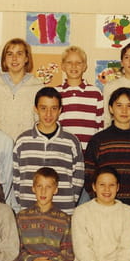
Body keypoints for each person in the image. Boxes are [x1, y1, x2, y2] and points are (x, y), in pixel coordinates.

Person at [84, 87, 130, 214]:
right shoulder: (98, 140)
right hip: (105, 211)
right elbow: (89, 177)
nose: (124, 110)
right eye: (119, 105)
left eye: (129, 106)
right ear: (110, 108)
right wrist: (100, 202)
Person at [12, 87, 84, 216]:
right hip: (29, 210)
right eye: (43, 108)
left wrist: (70, 200)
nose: (48, 114)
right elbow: (16, 177)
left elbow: (78, 178)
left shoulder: (71, 141)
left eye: (54, 108)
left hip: (63, 211)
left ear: (60, 110)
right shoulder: (23, 141)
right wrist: (22, 200)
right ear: (35, 109)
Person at [0, 38, 43, 140]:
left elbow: (41, 122)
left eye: (19, 54)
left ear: (26, 58)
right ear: (4, 59)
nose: (14, 58)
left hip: (27, 144)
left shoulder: (38, 87)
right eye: (10, 54)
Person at [56, 45, 103, 151]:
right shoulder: (55, 93)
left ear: (84, 66)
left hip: (88, 151)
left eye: (78, 62)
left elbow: (101, 125)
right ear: (63, 66)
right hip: (62, 151)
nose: (74, 66)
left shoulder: (95, 93)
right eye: (69, 62)